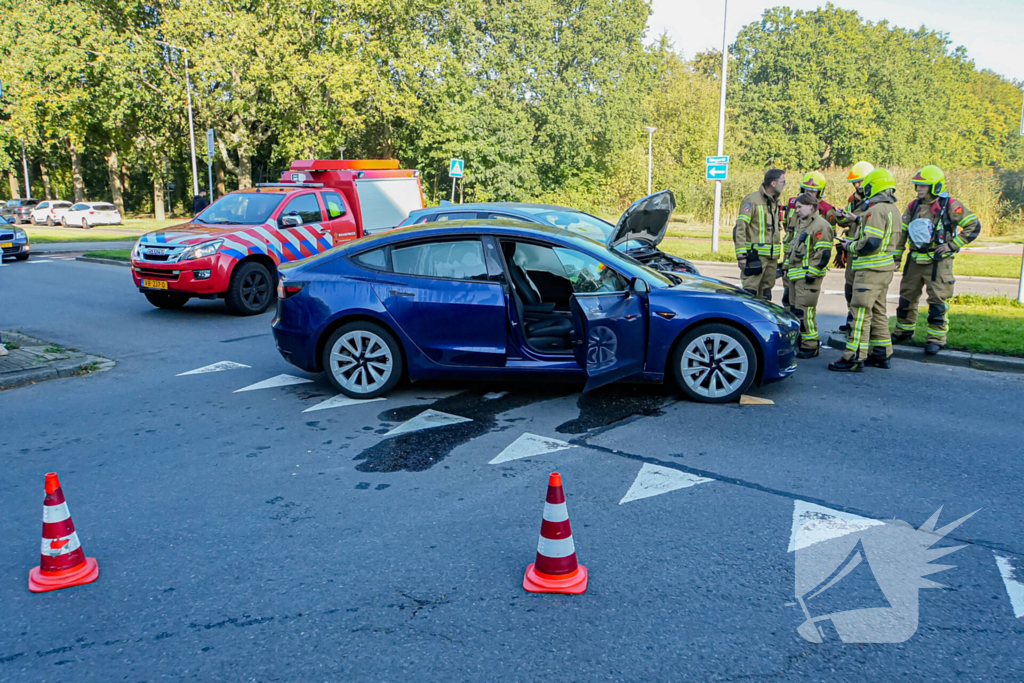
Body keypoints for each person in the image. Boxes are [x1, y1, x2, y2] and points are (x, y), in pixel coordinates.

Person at [892, 165, 981, 355]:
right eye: (917, 186)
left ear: (935, 187)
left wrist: (952, 245)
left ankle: (936, 338)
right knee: (907, 297)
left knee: (938, 301)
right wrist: (897, 257)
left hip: (939, 262)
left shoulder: (950, 205)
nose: (918, 190)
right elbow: (902, 233)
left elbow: (973, 225)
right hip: (915, 260)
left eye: (923, 186)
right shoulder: (913, 206)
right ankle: (903, 331)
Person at [829, 168, 900, 372]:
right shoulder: (892, 209)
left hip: (869, 270)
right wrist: (858, 220)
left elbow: (871, 242)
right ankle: (881, 353)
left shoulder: (875, 210)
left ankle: (853, 357)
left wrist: (849, 245)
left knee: (860, 313)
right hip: (883, 270)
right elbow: (880, 231)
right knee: (878, 311)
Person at [784, 193, 834, 359]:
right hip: (795, 276)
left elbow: (823, 253)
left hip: (807, 278)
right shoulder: (801, 224)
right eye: (796, 207)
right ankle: (800, 342)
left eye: (800, 207)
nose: (796, 210)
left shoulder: (821, 226)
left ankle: (810, 345)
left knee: (806, 312)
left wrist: (812, 273)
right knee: (795, 312)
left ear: (811, 207)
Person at [780, 171, 836, 308]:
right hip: (792, 259)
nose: (810, 193)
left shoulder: (826, 211)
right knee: (789, 302)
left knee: (804, 311)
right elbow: (787, 225)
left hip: (806, 267)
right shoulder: (794, 205)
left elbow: (823, 248)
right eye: (807, 189)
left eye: (813, 191)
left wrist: (813, 272)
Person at [833, 161, 874, 332]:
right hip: (851, 248)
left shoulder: (875, 201)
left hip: (865, 248)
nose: (857, 186)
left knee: (863, 290)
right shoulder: (853, 199)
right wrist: (841, 217)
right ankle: (851, 320)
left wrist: (856, 220)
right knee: (849, 287)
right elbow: (847, 223)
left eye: (860, 182)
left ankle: (862, 323)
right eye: (855, 183)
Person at [734, 169, 785, 300]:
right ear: (773, 183)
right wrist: (741, 256)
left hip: (772, 258)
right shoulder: (752, 200)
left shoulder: (776, 202)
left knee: (766, 295)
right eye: (782, 182)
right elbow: (740, 228)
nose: (784, 185)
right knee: (750, 294)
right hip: (755, 257)